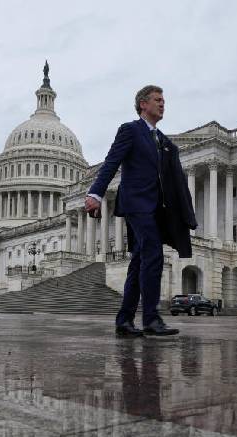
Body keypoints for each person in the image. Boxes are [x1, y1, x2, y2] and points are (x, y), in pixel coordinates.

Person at [85, 85, 197, 337]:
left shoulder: (166, 142)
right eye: (158, 100)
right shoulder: (130, 131)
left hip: (159, 209)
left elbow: (176, 180)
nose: (162, 103)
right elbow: (112, 162)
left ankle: (124, 321)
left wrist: (185, 212)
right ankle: (151, 319)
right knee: (153, 254)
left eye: (164, 100)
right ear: (143, 104)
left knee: (139, 263)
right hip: (136, 204)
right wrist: (95, 193)